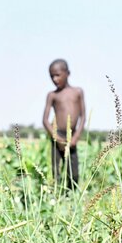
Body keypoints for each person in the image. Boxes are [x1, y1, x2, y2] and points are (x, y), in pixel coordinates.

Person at [42, 59, 85, 191]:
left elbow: (83, 116)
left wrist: (75, 138)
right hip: (57, 137)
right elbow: (45, 120)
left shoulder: (77, 92)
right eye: (52, 76)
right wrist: (56, 137)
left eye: (58, 75)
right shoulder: (52, 95)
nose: (55, 79)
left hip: (71, 137)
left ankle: (70, 196)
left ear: (68, 73)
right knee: (56, 169)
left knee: (73, 171)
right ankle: (57, 196)